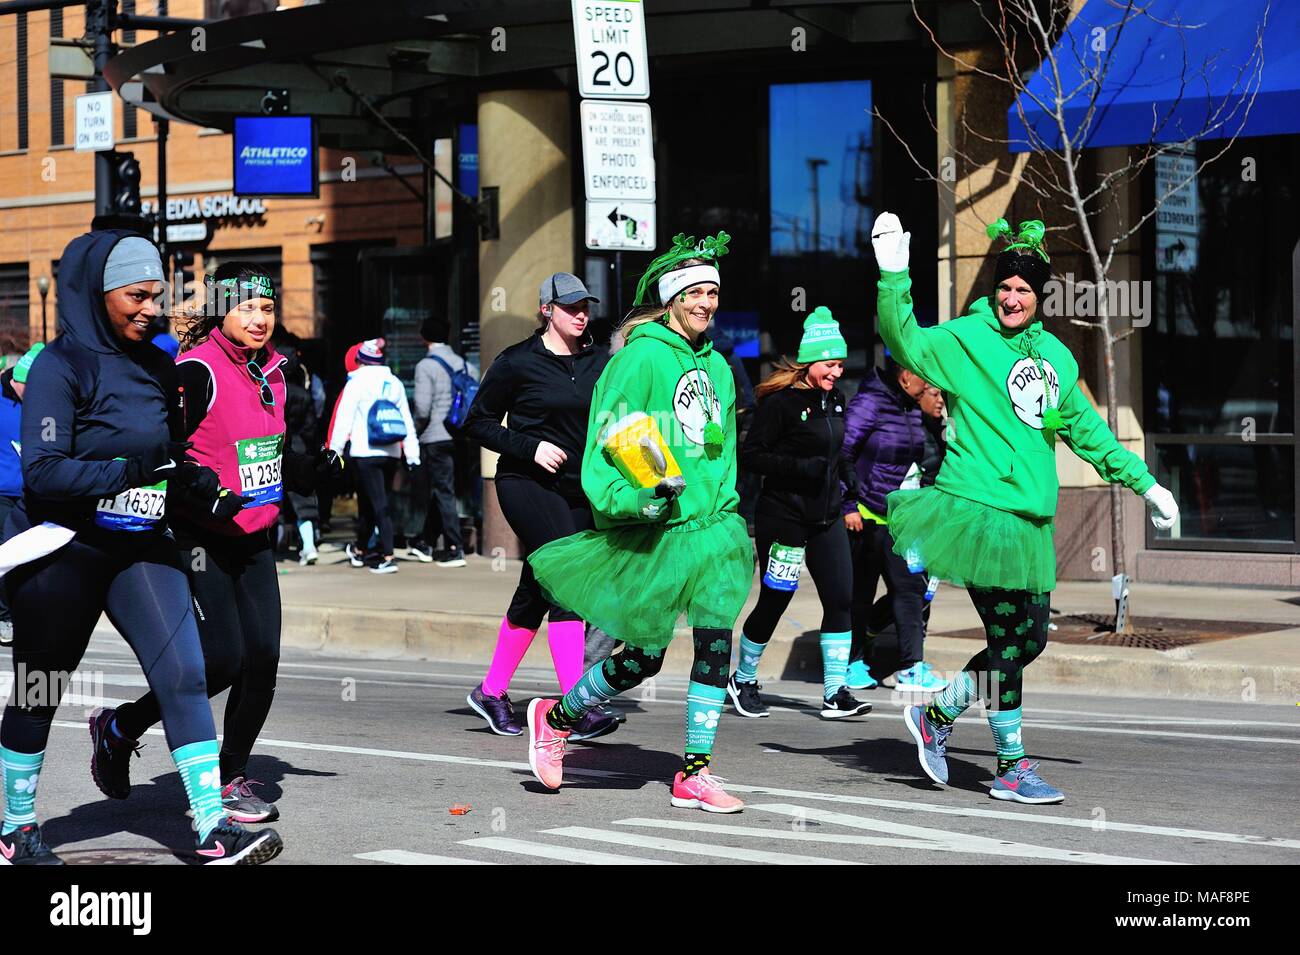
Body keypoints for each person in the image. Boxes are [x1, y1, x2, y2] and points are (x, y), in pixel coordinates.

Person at [871, 213, 1178, 803]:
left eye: (1024, 291)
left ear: (1041, 299)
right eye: (1005, 288)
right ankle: (1010, 767)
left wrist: (1147, 485)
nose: (1012, 299)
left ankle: (939, 715)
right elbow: (903, 336)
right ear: (995, 290)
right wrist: (893, 274)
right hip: (978, 512)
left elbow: (1087, 432)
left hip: (1030, 520)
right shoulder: (965, 340)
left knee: (1030, 638)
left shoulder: (1057, 359)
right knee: (1010, 636)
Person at [0, 231, 282, 864]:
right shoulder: (59, 367)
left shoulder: (159, 364)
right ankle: (15, 830)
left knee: (185, 673)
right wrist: (130, 468)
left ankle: (211, 825)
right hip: (66, 549)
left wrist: (199, 485)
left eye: (157, 295)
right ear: (97, 295)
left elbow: (174, 456)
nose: (150, 307)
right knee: (40, 689)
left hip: (143, 545)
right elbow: (43, 472)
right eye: (135, 296)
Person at [99, 263, 341, 826]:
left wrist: (313, 471)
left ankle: (230, 776)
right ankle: (120, 727)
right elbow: (164, 450)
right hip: (197, 537)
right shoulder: (194, 371)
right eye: (247, 308)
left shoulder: (276, 373)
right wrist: (204, 491)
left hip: (253, 537)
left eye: (267, 308)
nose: (260, 319)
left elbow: (270, 457)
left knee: (263, 659)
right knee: (221, 659)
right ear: (221, 312)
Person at [526, 232, 754, 812]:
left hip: (713, 530)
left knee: (713, 648)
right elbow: (612, 435)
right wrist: (643, 498)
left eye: (713, 292)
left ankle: (694, 773)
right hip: (658, 530)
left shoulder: (720, 369)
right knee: (644, 656)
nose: (706, 302)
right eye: (696, 292)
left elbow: (720, 451)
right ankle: (556, 717)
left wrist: (726, 505)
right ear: (672, 297)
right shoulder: (640, 357)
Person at [461, 273, 615, 741]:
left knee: (537, 588)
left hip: (577, 489)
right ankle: (575, 706)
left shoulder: (598, 361)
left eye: (585, 306)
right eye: (570, 306)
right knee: (566, 578)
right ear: (547, 309)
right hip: (525, 481)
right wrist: (530, 447)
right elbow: (478, 423)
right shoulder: (516, 362)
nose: (581, 314)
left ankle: (490, 693)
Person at [727, 307, 870, 720]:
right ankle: (744, 679)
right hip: (784, 517)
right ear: (809, 361)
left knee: (841, 597)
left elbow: (836, 450)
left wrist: (848, 480)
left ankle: (834, 692)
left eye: (841, 364)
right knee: (776, 598)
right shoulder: (781, 404)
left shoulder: (836, 400)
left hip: (826, 517)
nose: (837, 372)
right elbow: (751, 455)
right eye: (829, 364)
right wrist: (800, 468)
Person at [841, 354, 947, 693]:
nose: (928, 386)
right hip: (866, 515)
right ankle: (851, 661)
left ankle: (910, 667)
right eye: (923, 378)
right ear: (904, 377)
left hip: (902, 518)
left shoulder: (910, 407)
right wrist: (847, 505)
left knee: (911, 588)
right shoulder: (870, 403)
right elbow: (842, 454)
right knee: (861, 593)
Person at [328, 338, 420, 574]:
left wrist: (335, 451)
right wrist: (412, 454)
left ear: (361, 361)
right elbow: (406, 421)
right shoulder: (395, 383)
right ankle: (360, 550)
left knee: (378, 504)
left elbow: (343, 420)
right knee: (371, 502)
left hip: (364, 452)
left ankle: (388, 555)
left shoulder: (356, 383)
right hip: (390, 452)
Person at [409, 315, 478, 567]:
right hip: (460, 436)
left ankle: (454, 547)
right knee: (445, 491)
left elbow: (423, 409)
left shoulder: (425, 366)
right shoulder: (464, 365)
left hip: (435, 437)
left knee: (443, 491)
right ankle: (426, 542)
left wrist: (414, 432)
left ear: (424, 337)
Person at [0, 344, 43, 647]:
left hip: (33, 493)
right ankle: (4, 617)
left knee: (30, 557)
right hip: (2, 493)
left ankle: (23, 613)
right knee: (7, 553)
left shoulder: (41, 405)